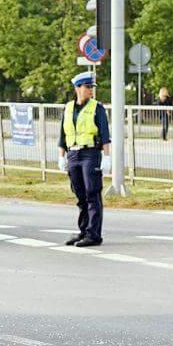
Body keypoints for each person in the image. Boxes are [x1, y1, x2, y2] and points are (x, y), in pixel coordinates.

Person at [58, 70, 110, 247]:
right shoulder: (68, 108)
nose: (90, 90)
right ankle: (83, 231)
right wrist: (61, 156)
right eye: (87, 87)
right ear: (77, 88)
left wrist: (107, 157)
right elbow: (62, 135)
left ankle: (93, 234)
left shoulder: (97, 107)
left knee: (92, 193)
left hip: (90, 153)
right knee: (79, 194)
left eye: (91, 87)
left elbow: (104, 134)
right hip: (73, 154)